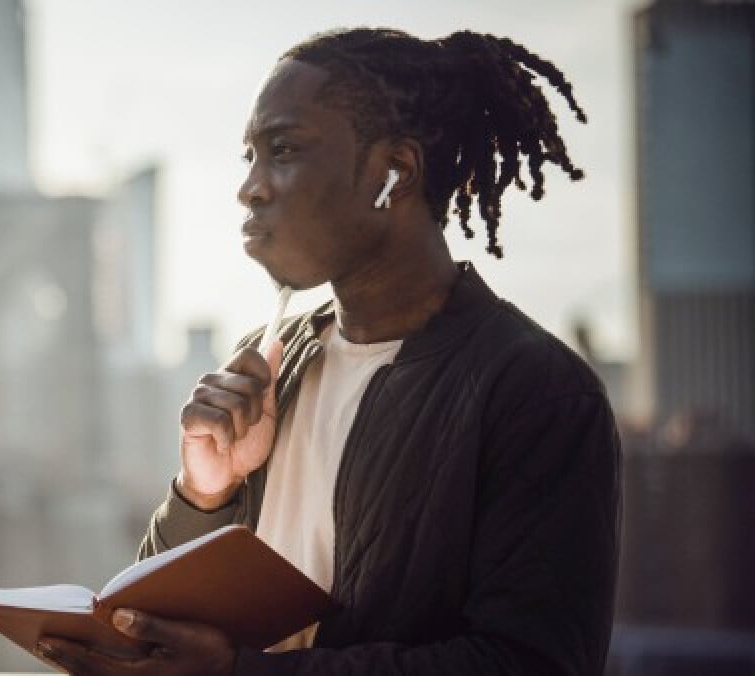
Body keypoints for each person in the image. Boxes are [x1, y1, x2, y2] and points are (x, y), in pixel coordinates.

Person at [38, 27, 620, 676]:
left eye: (282, 150)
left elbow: (531, 664)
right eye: (249, 157)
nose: (250, 188)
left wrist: (239, 674)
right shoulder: (270, 370)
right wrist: (204, 495)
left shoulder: (534, 390)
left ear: (393, 173)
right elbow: (159, 625)